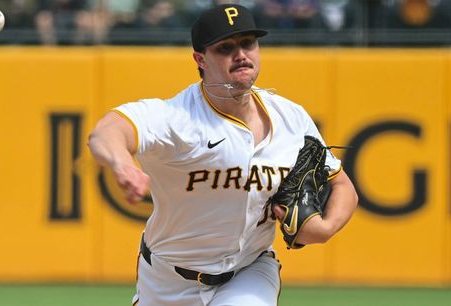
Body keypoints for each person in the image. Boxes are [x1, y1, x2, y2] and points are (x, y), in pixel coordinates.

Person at [88, 4, 357, 306]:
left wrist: (327, 227)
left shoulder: (290, 117)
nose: (241, 54)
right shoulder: (178, 118)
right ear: (200, 59)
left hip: (250, 272)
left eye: (248, 43)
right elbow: (107, 131)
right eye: (225, 47)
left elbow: (343, 185)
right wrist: (122, 163)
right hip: (167, 282)